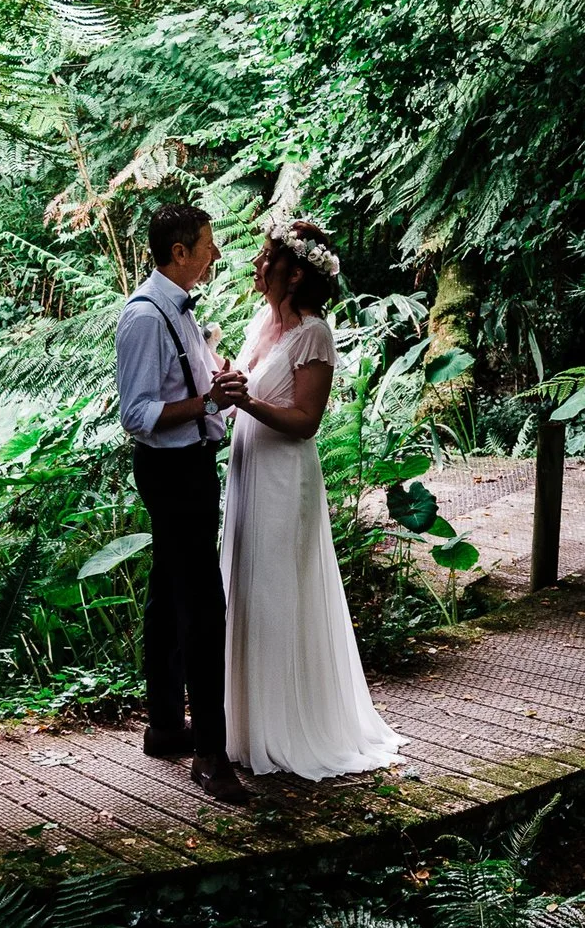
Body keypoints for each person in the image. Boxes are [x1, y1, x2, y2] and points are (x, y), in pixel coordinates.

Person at [213, 213, 405, 778]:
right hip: (248, 471)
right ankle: (243, 725)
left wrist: (243, 402)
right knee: (245, 588)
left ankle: (287, 726)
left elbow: (305, 420)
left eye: (266, 256)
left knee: (277, 592)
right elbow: (247, 380)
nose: (256, 263)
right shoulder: (258, 321)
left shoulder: (314, 333)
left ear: (293, 274)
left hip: (283, 477)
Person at [114, 202, 251, 804]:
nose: (215, 253)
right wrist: (204, 403)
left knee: (170, 593)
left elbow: (183, 392)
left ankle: (167, 726)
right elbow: (138, 415)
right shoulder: (146, 317)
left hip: (189, 465)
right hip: (172, 472)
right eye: (207, 244)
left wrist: (213, 387)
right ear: (178, 254)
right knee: (202, 604)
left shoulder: (179, 311)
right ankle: (211, 757)